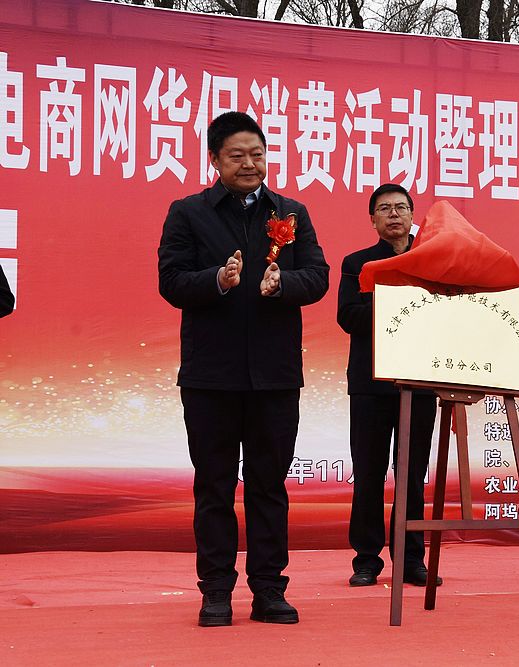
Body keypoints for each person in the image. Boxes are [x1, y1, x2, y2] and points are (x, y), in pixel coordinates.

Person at [158, 111, 330, 627]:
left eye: (257, 154)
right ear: (215, 159)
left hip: (275, 376)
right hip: (211, 377)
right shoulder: (188, 213)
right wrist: (218, 280)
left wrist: (284, 285)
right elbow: (170, 281)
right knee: (213, 485)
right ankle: (215, 591)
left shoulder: (291, 211)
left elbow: (318, 275)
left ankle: (269, 590)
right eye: (237, 155)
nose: (249, 163)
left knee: (268, 486)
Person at [337, 183, 441, 588]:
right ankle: (366, 559)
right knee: (368, 474)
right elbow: (349, 317)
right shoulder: (357, 263)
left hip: (420, 381)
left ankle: (411, 558)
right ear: (373, 220)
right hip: (370, 383)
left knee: (412, 475)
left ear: (413, 215)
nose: (393, 214)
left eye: (400, 207)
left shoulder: (431, 260)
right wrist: (402, 303)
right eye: (384, 209)